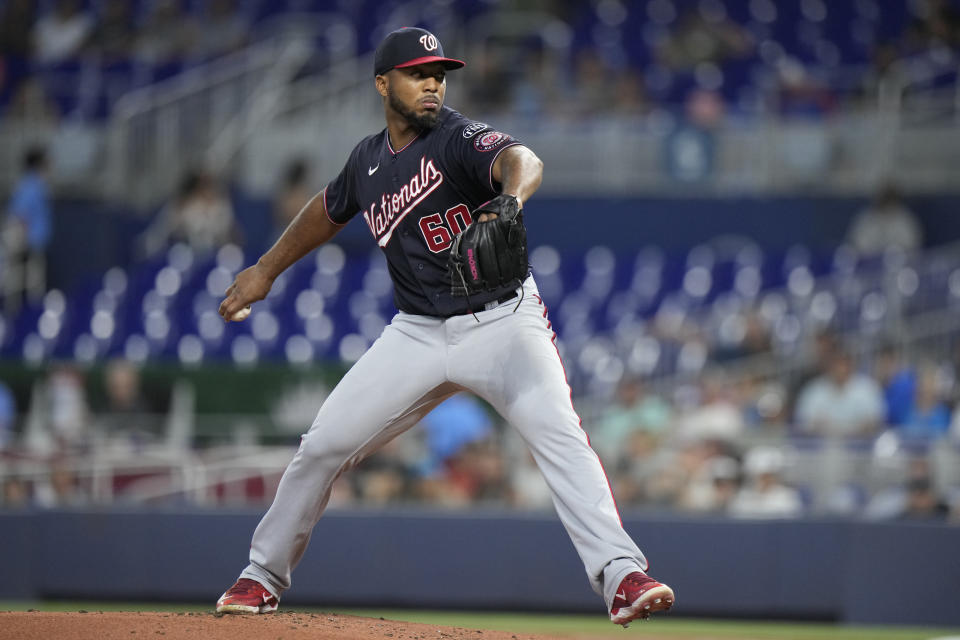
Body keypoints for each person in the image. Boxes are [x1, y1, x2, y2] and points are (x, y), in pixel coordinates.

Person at [215, 27, 674, 627]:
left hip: (503, 320)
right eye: (417, 72)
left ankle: (621, 572)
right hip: (418, 331)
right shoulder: (367, 161)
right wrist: (265, 270)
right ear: (383, 83)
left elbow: (523, 160)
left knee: (559, 433)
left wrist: (511, 198)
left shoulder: (457, 138)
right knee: (322, 446)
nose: (433, 82)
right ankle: (261, 578)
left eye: (439, 72)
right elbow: (327, 210)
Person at [3, 146, 52, 312]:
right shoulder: (30, 185)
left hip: (33, 243)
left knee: (33, 283)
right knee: (23, 283)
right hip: (26, 244)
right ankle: (22, 319)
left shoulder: (36, 184)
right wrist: (19, 243)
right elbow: (20, 216)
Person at [846, 184, 923, 256]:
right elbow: (857, 246)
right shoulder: (866, 218)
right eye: (884, 199)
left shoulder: (905, 219)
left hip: (900, 265)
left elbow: (913, 247)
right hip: (869, 265)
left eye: (890, 199)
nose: (888, 205)